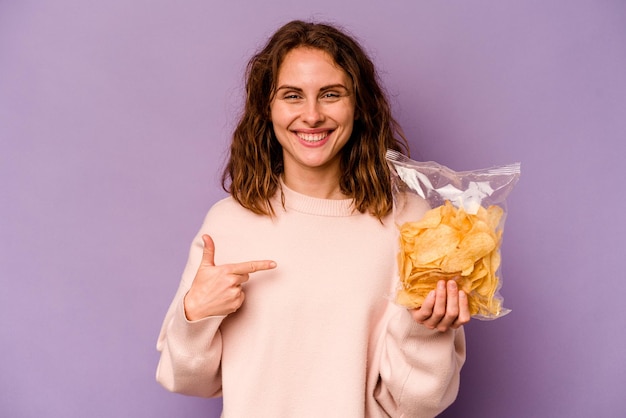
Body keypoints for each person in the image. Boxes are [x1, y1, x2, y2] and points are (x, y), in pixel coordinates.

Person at [156, 19, 469, 418]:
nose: (312, 114)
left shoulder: (412, 223)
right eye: (292, 95)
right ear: (267, 109)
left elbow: (416, 405)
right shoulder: (229, 223)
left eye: (330, 94)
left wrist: (426, 330)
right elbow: (186, 380)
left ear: (358, 106)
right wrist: (195, 315)